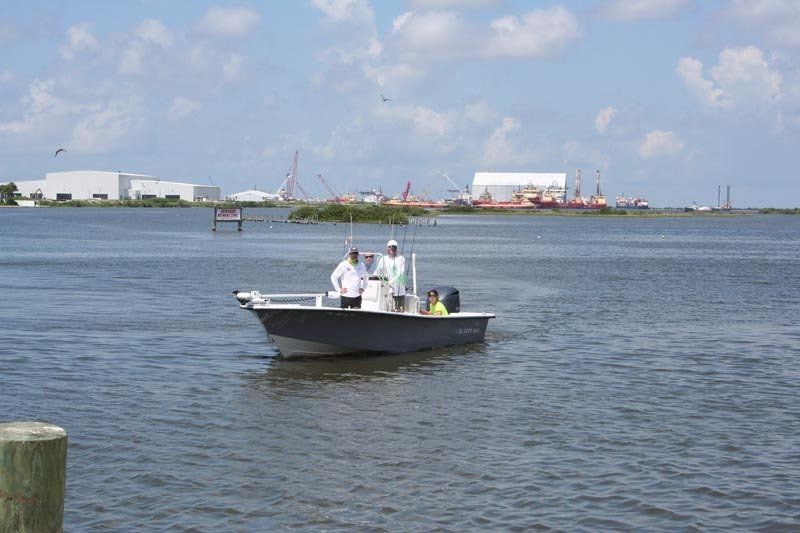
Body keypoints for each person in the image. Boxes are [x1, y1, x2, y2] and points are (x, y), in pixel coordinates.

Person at [375, 239, 406, 311]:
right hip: (386, 290)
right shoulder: (383, 259)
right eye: (390, 247)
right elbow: (377, 272)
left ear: (396, 248)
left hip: (399, 290)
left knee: (399, 310)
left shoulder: (401, 258)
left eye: (394, 247)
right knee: (386, 308)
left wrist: (390, 282)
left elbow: (401, 272)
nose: (392, 249)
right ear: (387, 248)